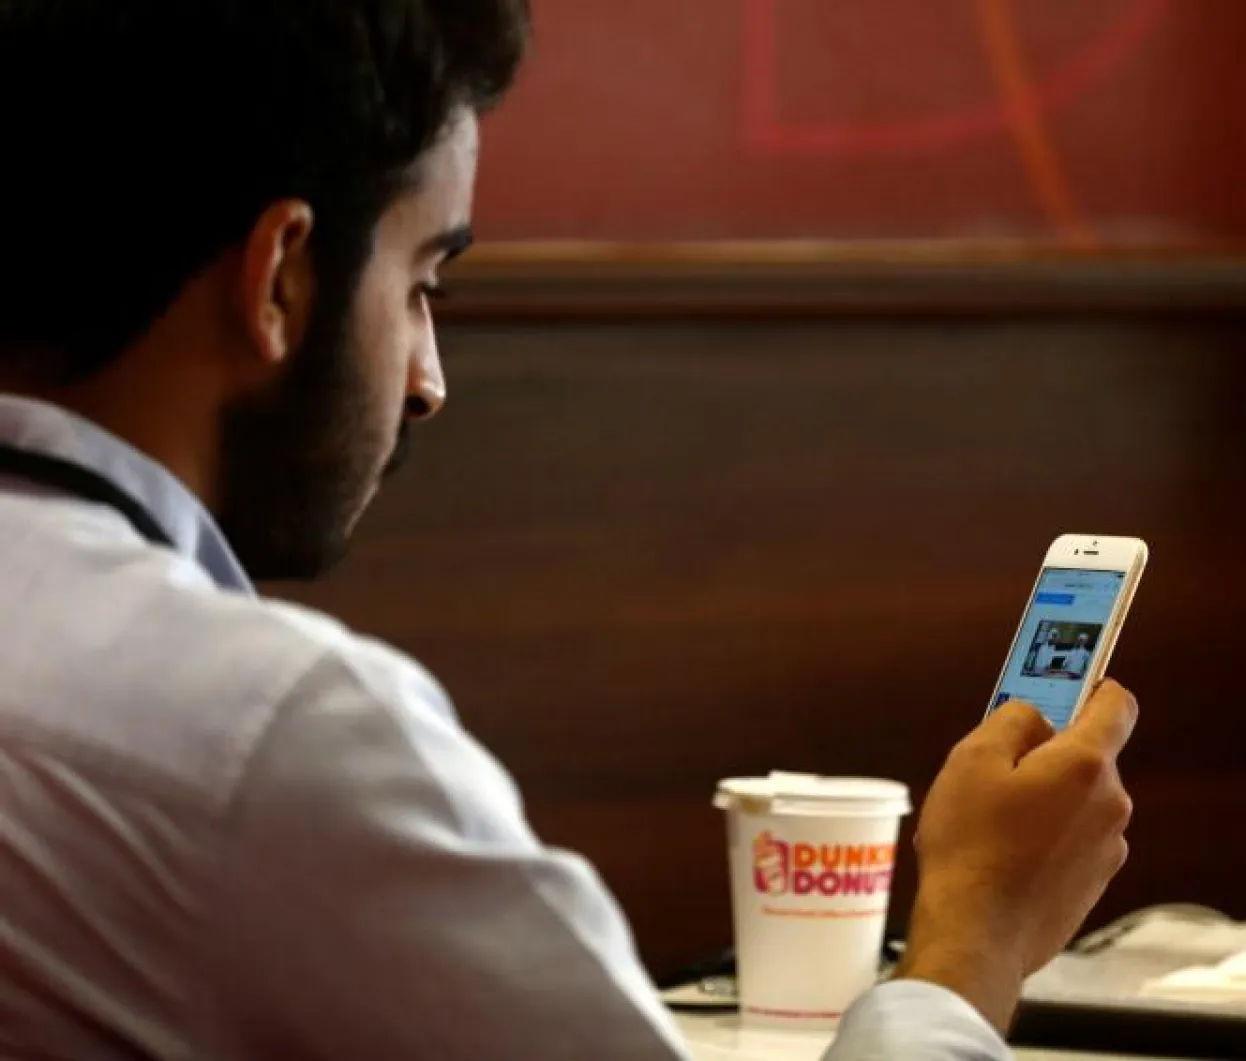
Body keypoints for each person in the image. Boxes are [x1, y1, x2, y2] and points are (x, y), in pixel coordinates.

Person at [0, 3, 1137, 1058]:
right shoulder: (273, 737)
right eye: (422, 282)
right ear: (282, 279)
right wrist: (977, 936)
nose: (428, 381)